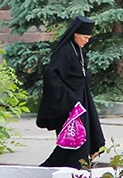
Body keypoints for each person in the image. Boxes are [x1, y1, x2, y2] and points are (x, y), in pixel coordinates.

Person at [37, 16, 105, 169]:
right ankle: (70, 168)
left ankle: (78, 167)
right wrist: (71, 100)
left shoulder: (79, 50)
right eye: (85, 37)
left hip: (82, 100)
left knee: (86, 136)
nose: (87, 41)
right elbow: (52, 77)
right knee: (72, 139)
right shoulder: (65, 52)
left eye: (89, 38)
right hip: (68, 103)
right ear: (75, 34)